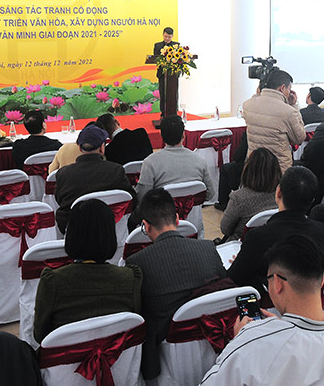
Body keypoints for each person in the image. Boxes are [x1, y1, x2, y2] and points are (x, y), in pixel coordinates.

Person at [200, 235, 324, 386]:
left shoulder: (252, 344)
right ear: (323, 279)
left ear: (278, 283)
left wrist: (239, 342)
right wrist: (281, 328)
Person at [127, 188, 227, 380]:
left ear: (145, 226)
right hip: (215, 349)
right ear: (178, 219)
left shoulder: (138, 263)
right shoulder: (207, 248)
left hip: (167, 358)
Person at [33, 199, 142, 343]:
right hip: (120, 357)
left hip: (67, 356)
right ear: (110, 235)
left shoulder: (54, 281)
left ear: (72, 234)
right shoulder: (130, 278)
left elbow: (40, 335)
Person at [227, 166, 324, 294]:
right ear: (312, 200)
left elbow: (234, 278)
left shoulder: (258, 237)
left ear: (278, 192)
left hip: (269, 300)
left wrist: (243, 261)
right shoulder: (320, 230)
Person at [54, 125, 136, 233]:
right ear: (102, 148)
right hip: (113, 231)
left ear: (80, 148)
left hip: (75, 232)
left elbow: (59, 200)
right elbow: (132, 200)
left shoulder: (64, 174)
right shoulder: (116, 171)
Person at [135, 115, 215, 201]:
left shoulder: (150, 162)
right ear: (183, 135)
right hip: (193, 209)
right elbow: (210, 194)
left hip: (161, 208)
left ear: (161, 135)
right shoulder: (200, 160)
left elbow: (142, 196)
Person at [242, 70, 306, 173]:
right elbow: (299, 138)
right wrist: (294, 106)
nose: (289, 93)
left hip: (254, 166)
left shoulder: (247, 105)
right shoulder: (289, 112)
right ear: (282, 88)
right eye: (289, 89)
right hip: (278, 168)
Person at [220, 148, 280, 241]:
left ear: (248, 170)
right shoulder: (282, 195)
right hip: (274, 242)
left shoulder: (238, 198)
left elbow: (225, 229)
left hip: (241, 244)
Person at [151, 27, 179, 118]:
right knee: (163, 94)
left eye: (169, 37)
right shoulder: (157, 46)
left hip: (173, 75)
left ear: (172, 36)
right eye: (166, 36)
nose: (167, 39)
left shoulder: (176, 46)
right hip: (162, 74)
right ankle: (163, 114)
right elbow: (155, 59)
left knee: (173, 94)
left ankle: (174, 113)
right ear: (163, 35)